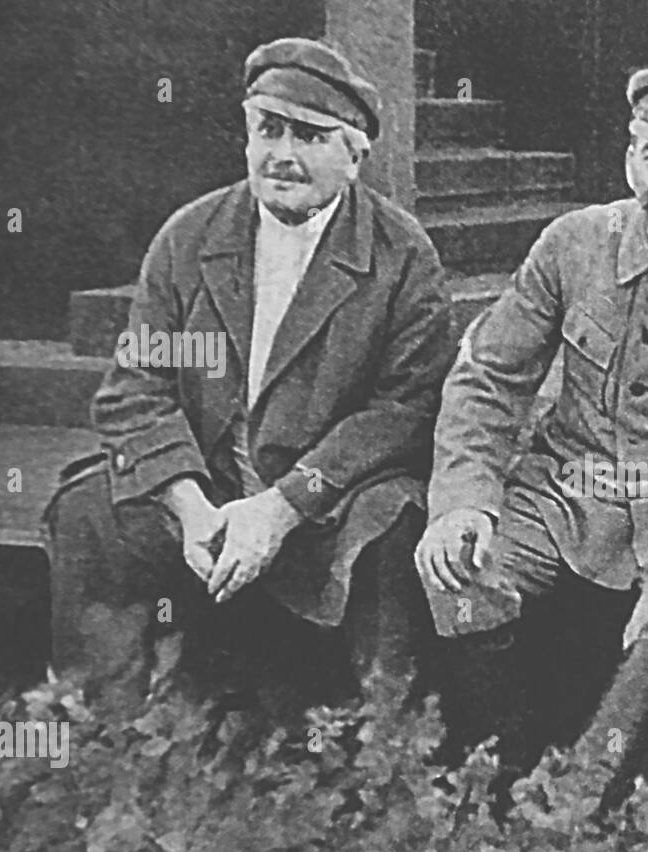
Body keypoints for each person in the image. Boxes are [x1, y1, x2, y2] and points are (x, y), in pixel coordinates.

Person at [46, 37, 453, 719]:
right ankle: (103, 746)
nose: (283, 154)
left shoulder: (402, 254)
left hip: (325, 506)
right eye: (269, 129)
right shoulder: (191, 236)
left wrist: (284, 505)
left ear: (355, 157)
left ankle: (381, 760)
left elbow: (404, 412)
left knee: (392, 523)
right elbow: (135, 388)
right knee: (89, 509)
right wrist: (189, 503)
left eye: (311, 136)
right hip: (206, 492)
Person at [416, 67, 648, 791]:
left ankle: (579, 808)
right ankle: (500, 775)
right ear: (630, 161)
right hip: (558, 490)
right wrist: (465, 497)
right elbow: (489, 376)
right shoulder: (573, 245)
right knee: (458, 572)